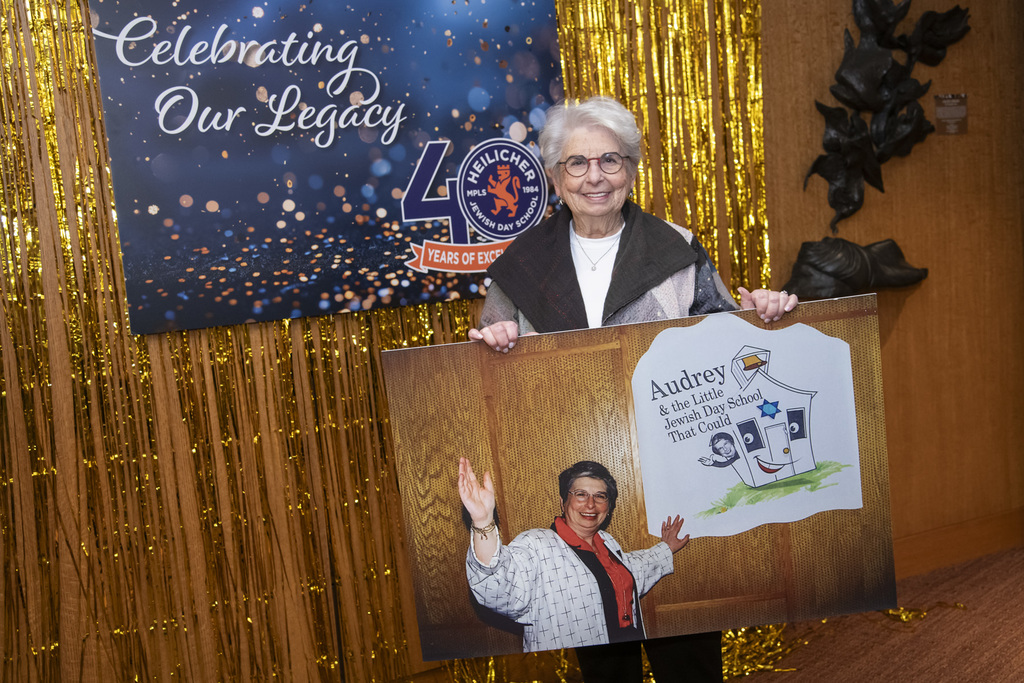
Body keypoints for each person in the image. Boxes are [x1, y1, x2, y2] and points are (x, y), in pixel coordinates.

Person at [467, 96, 799, 682]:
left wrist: (764, 316)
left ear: (632, 168)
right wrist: (493, 342)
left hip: (671, 458)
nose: (594, 177)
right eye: (576, 163)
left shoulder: (676, 247)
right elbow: (495, 357)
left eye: (610, 161)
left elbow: (726, 343)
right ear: (554, 175)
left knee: (685, 641)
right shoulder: (521, 263)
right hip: (573, 460)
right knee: (599, 636)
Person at [458, 458, 690, 655]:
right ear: (563, 502)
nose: (591, 504)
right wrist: (483, 522)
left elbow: (632, 571)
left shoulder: (608, 543)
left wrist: (665, 549)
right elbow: (498, 588)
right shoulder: (537, 544)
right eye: (581, 494)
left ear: (609, 507)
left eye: (601, 496)